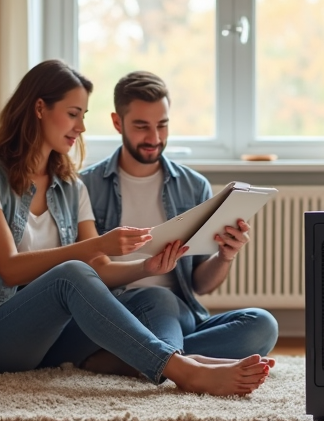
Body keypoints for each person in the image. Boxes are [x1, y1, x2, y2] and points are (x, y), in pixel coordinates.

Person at [0, 59, 269, 396]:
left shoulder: (71, 187)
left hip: (54, 342)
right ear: (40, 108)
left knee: (158, 296)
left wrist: (147, 266)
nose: (81, 127)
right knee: (70, 273)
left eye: (83, 116)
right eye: (73, 114)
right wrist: (98, 245)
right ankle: (184, 368)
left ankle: (140, 359)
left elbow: (99, 269)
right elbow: (10, 269)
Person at [73, 70, 279, 368]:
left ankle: (127, 360)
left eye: (163, 125)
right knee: (158, 297)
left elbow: (199, 284)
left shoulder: (193, 186)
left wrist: (225, 256)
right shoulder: (86, 186)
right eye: (142, 126)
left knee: (262, 324)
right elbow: (83, 272)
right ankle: (181, 363)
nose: (154, 138)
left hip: (178, 315)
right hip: (115, 314)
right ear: (117, 122)